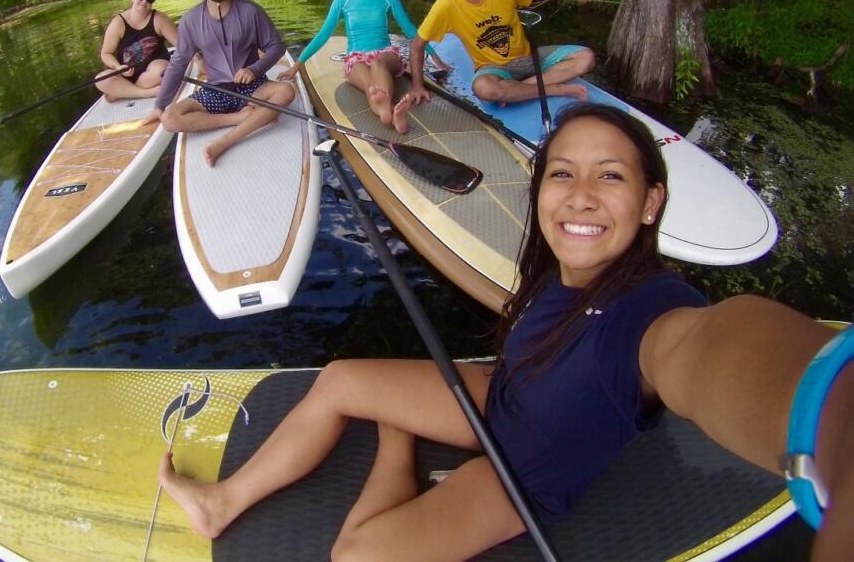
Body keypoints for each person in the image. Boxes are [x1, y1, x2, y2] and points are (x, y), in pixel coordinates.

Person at [154, 102, 854, 561]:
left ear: (651, 203)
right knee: (340, 380)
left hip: (528, 470)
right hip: (502, 397)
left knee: (356, 557)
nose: (580, 195)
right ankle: (222, 502)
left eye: (610, 177)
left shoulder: (661, 322)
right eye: (562, 174)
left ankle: (398, 444)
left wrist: (839, 435)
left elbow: (725, 352)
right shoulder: (564, 272)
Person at [144, 0, 293, 167]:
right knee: (170, 119)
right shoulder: (191, 20)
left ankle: (224, 142)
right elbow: (178, 62)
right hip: (216, 89)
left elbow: (276, 46)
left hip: (252, 86)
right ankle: (242, 118)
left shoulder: (251, 11)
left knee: (286, 91)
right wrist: (160, 104)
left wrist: (255, 69)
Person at [279, 0, 448, 135]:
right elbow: (324, 34)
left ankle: (386, 107)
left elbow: (409, 28)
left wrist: (434, 57)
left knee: (377, 63)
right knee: (370, 86)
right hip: (356, 57)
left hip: (385, 54)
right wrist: (297, 65)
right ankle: (389, 113)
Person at [408, 0, 596, 107]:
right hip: (494, 68)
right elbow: (417, 44)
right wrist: (418, 86)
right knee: (484, 88)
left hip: (528, 57)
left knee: (585, 58)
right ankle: (550, 89)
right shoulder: (445, 6)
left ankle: (521, 89)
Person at [94, 0, 178, 101]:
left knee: (163, 70)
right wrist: (118, 67)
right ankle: (145, 93)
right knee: (100, 80)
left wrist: (199, 60)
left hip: (153, 72)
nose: (144, 2)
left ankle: (123, 92)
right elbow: (106, 53)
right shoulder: (118, 23)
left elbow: (183, 45)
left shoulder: (159, 19)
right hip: (126, 73)